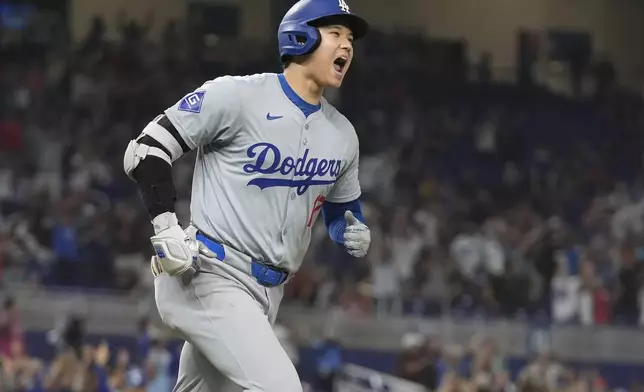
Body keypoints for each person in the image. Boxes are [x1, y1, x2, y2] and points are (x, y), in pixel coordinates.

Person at [122, 0, 371, 390]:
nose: (347, 46)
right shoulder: (238, 96)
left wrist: (348, 228)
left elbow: (341, 211)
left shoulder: (342, 135)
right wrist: (165, 224)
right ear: (300, 36)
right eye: (335, 33)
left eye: (350, 38)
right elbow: (145, 150)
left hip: (267, 294)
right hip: (208, 274)